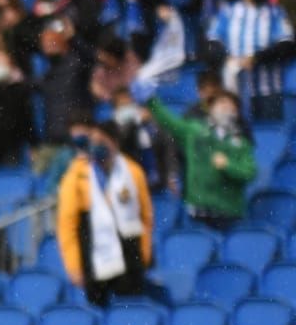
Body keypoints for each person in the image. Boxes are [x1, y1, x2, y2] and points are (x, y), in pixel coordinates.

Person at [56, 121, 154, 306]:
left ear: (114, 142)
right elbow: (67, 223)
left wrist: (144, 252)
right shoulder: (77, 175)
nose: (96, 146)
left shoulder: (132, 172)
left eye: (102, 141)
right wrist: (74, 266)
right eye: (92, 141)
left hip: (129, 254)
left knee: (129, 309)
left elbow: (145, 216)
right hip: (94, 252)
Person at [148, 91, 257, 229]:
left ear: (236, 112)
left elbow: (249, 173)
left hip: (228, 215)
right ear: (210, 109)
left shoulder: (241, 143)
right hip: (197, 213)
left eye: (230, 105)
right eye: (220, 103)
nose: (224, 108)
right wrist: (151, 100)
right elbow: (169, 122)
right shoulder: (194, 130)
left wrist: (228, 165)